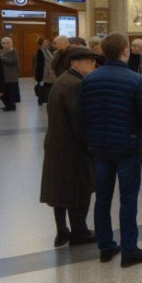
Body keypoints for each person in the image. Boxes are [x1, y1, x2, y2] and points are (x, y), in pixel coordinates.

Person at [79, 33, 142, 267]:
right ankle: (129, 249)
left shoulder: (89, 79)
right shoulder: (136, 81)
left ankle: (106, 246)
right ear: (125, 50)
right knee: (128, 199)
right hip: (127, 145)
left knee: (102, 197)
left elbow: (81, 113)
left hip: (100, 146)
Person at [40, 47, 100, 248]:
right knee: (79, 189)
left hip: (57, 143)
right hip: (72, 147)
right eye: (89, 62)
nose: (94, 65)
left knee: (59, 190)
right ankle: (79, 232)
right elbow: (79, 120)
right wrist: (92, 143)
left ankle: (62, 231)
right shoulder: (75, 84)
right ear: (76, 63)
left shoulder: (63, 80)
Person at [0, 37, 21, 111]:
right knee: (2, 93)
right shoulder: (1, 52)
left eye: (7, 43)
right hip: (3, 76)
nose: (5, 45)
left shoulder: (14, 51)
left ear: (11, 43)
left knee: (10, 93)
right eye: (3, 43)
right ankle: (9, 105)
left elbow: (13, 61)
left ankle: (11, 106)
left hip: (11, 76)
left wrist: (1, 58)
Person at [34, 37, 56, 105]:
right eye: (45, 43)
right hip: (43, 73)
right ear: (41, 44)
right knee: (42, 87)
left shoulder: (49, 50)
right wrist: (39, 76)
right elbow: (39, 64)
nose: (46, 44)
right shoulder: (40, 51)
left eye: (47, 43)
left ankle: (47, 99)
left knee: (49, 87)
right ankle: (40, 100)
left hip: (50, 72)